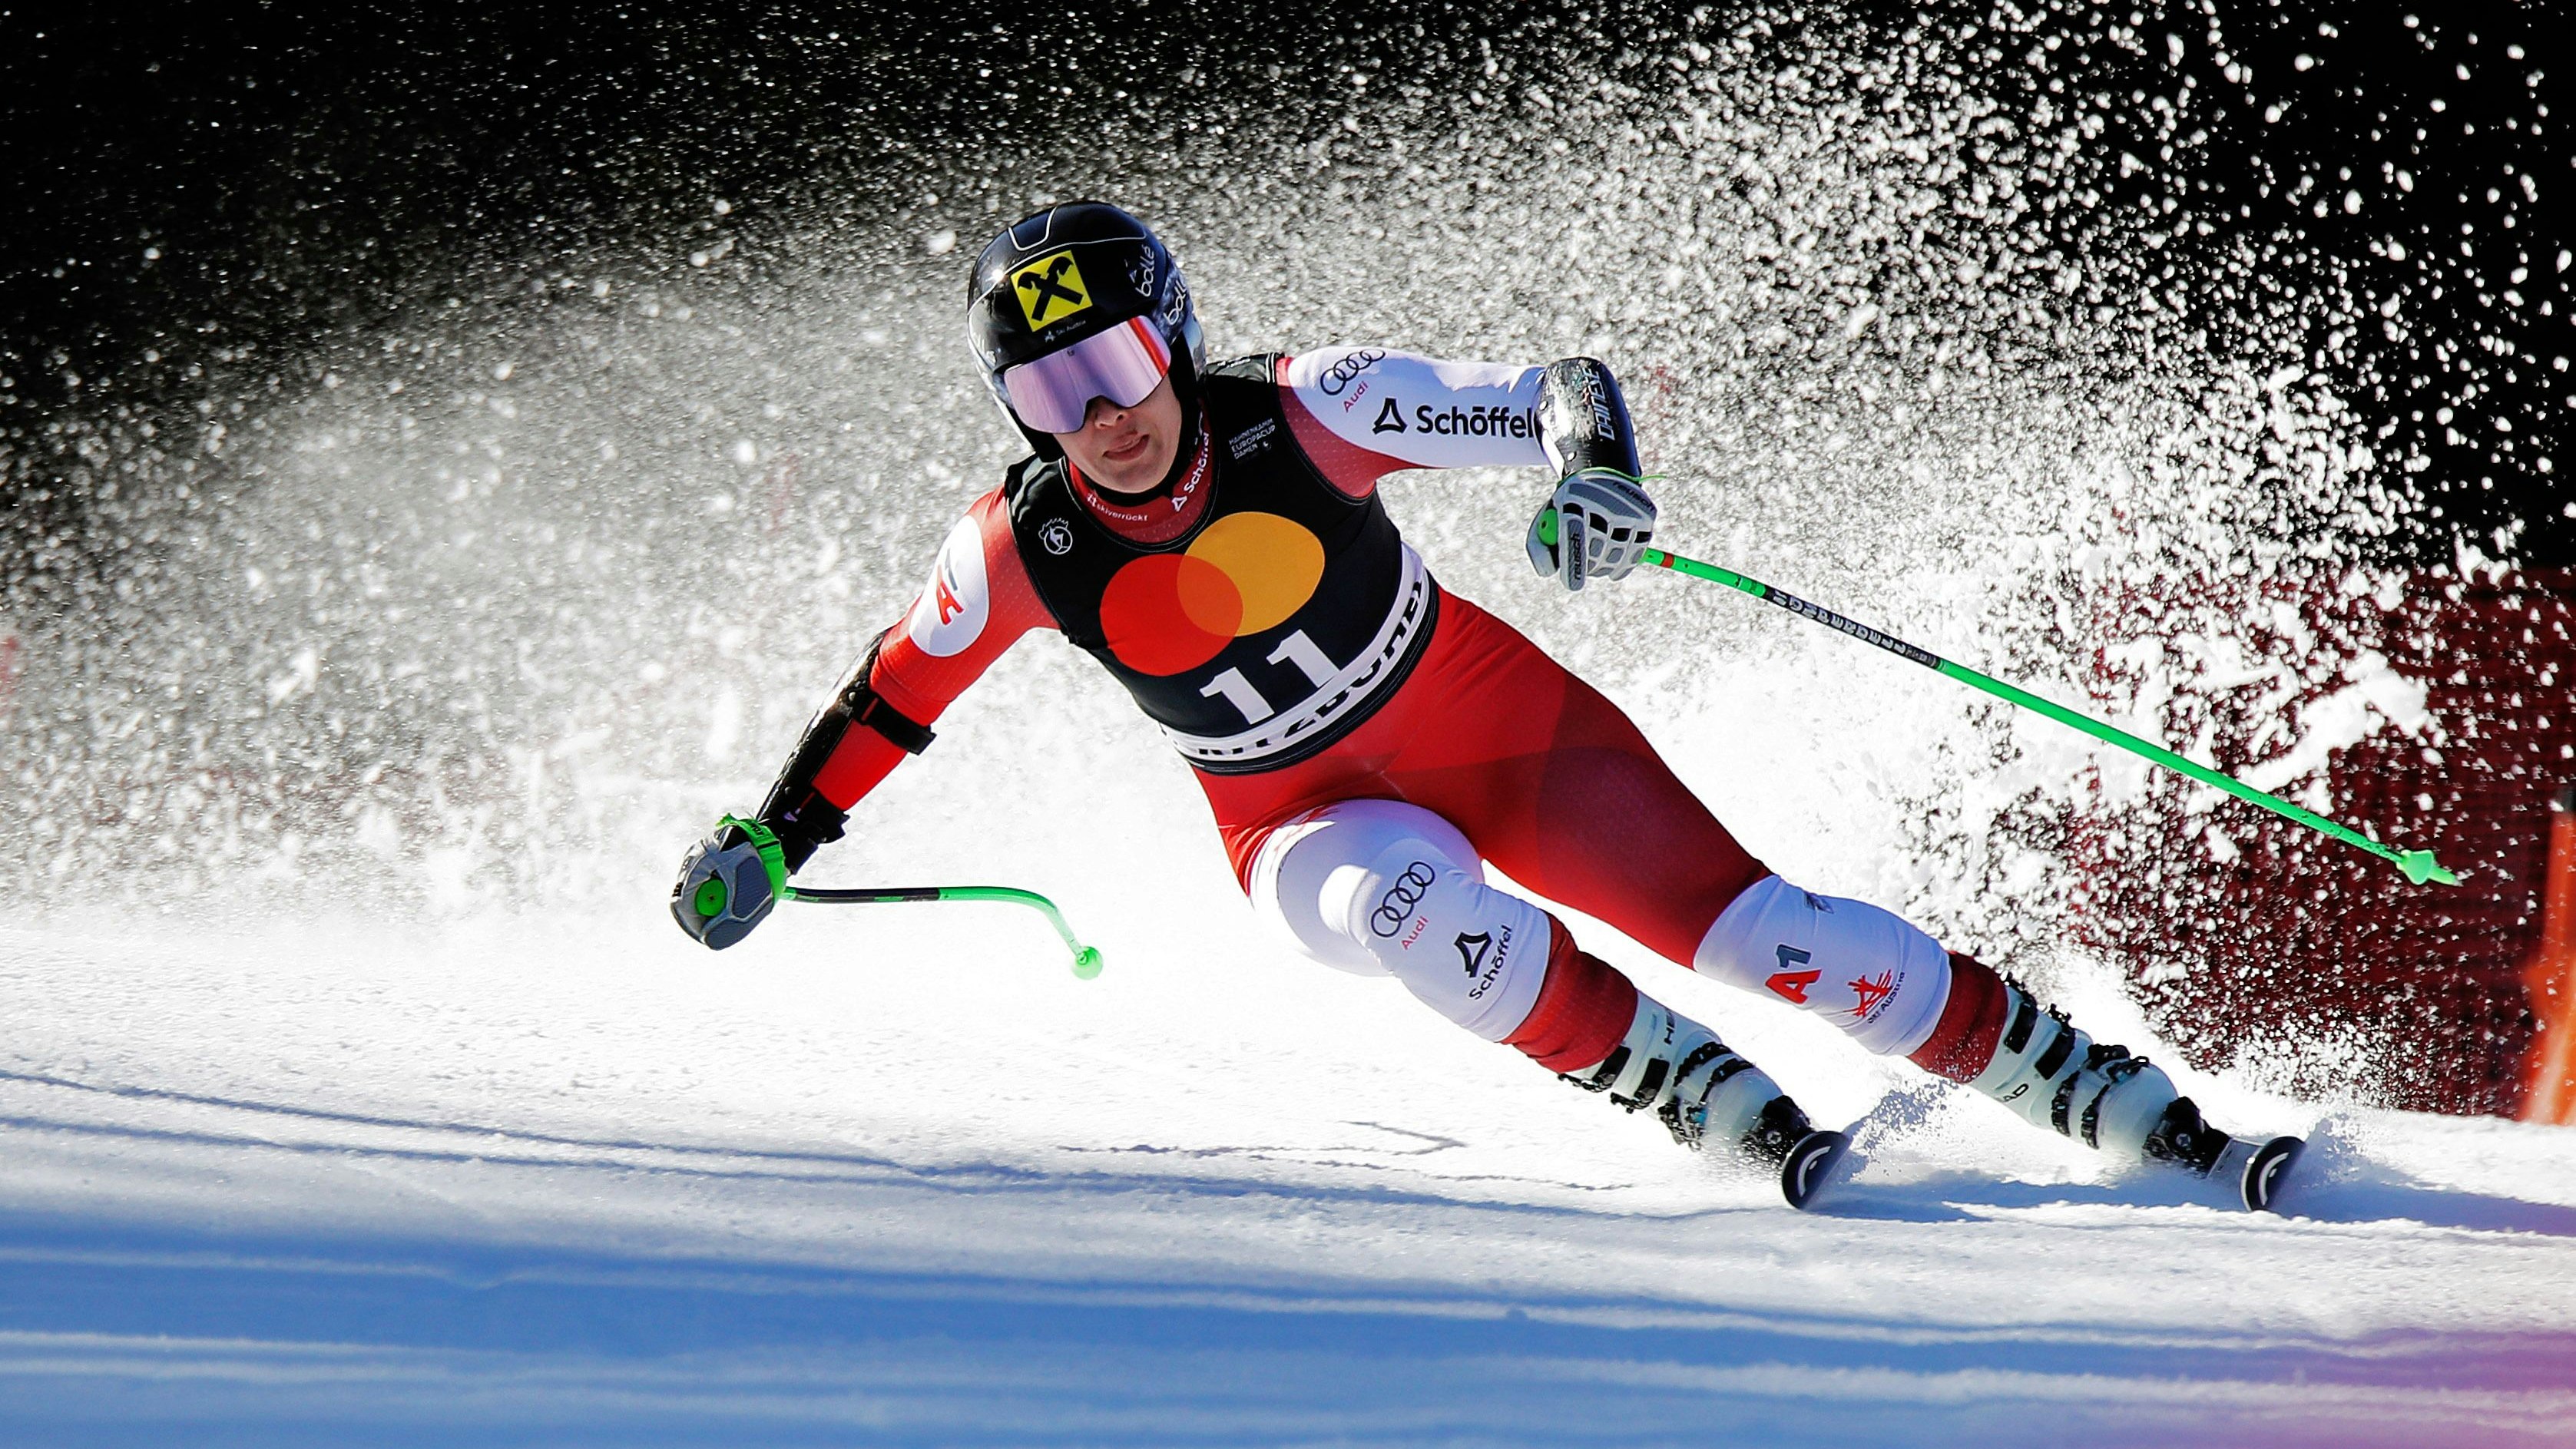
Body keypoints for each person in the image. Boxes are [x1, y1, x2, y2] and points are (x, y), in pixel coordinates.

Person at [671, 201, 2293, 1208]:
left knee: (1771, 934)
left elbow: (1553, 395)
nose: (1088, 419)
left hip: (1494, 721)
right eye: (1042, 395)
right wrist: (774, 832)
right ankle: (1677, 1084)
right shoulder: (1018, 542)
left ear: (1171, 335)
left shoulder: (1303, 409)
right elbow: (893, 695)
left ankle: (2107, 1097)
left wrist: (1601, 482)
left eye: (1106, 367)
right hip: (1295, 816)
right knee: (1402, 907)